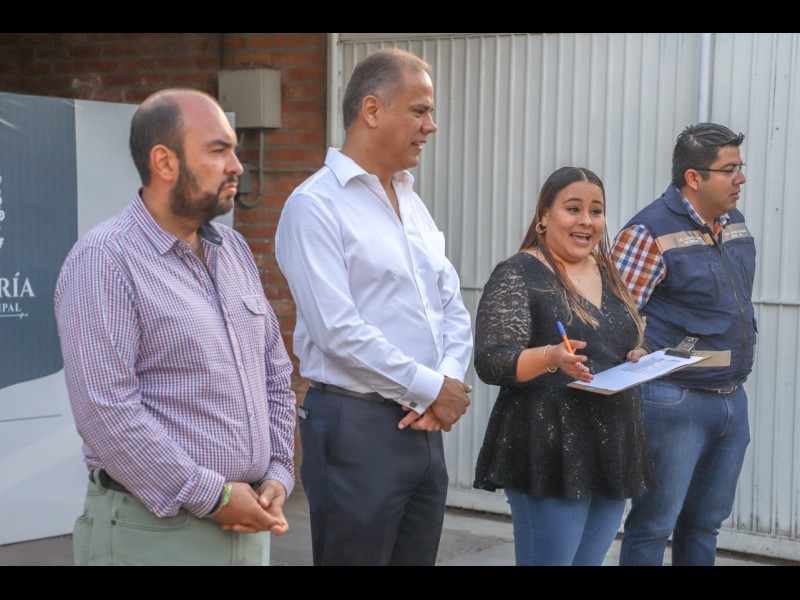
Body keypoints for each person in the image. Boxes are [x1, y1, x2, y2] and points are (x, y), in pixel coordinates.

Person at [54, 88, 297, 566]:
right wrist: (213, 496)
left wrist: (278, 473)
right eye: (218, 150)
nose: (236, 166)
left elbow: (274, 373)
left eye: (234, 150)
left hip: (250, 523)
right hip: (152, 533)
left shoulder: (233, 250)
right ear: (164, 162)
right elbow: (106, 413)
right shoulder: (105, 260)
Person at [274, 48, 473, 566]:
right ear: (372, 110)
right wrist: (432, 388)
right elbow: (337, 330)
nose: (431, 126)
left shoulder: (412, 202)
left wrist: (446, 383)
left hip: (423, 425)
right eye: (420, 110)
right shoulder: (314, 206)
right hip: (355, 426)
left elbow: (450, 306)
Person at [472, 166, 656, 566]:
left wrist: (638, 353)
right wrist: (552, 357)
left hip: (611, 444)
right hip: (550, 448)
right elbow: (492, 360)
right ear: (544, 216)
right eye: (573, 209)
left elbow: (621, 338)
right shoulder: (518, 273)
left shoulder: (607, 270)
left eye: (596, 211)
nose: (586, 221)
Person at [612, 122, 756, 566]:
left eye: (740, 167)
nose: (740, 179)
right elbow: (614, 317)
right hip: (673, 401)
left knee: (705, 524)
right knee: (654, 525)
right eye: (729, 170)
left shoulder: (734, 224)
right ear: (694, 177)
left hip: (731, 398)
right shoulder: (648, 231)